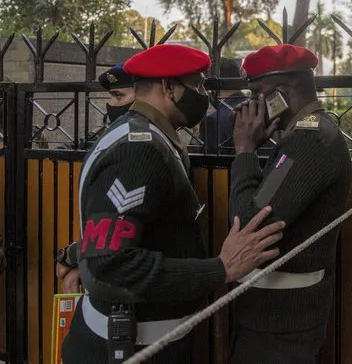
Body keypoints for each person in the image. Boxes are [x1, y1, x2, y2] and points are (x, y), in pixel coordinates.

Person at [61, 44, 286, 364]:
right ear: (169, 87)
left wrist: (72, 254)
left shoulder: (144, 134)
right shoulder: (139, 150)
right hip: (128, 349)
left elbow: (122, 234)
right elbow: (110, 267)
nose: (204, 95)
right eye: (196, 85)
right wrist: (221, 268)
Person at [227, 44, 352, 364]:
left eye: (257, 93)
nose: (251, 104)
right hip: (275, 316)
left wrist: (244, 151)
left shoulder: (308, 138)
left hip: (281, 323)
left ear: (279, 94)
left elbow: (249, 222)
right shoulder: (302, 133)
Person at [55, 63, 136, 293]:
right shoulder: (107, 137)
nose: (111, 105)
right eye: (110, 96)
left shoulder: (139, 147)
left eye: (119, 95)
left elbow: (120, 228)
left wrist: (70, 257)